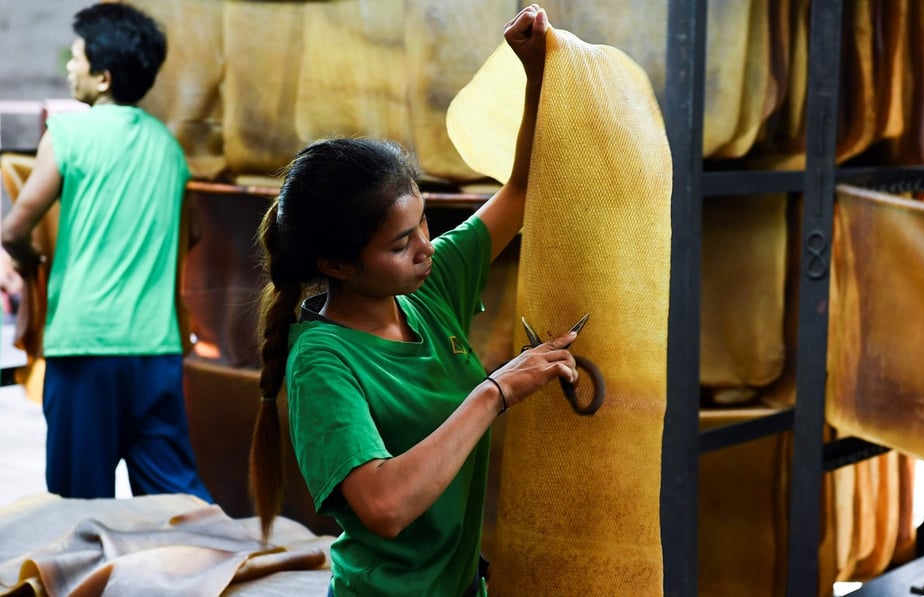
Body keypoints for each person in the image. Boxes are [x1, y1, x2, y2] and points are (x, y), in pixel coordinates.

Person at [248, 5, 576, 596]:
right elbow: (385, 506)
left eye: (425, 224)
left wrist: (535, 71)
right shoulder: (322, 362)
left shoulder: (430, 285)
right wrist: (495, 391)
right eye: (402, 244)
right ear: (336, 265)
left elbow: (522, 188)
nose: (426, 248)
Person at [1, 2, 211, 502]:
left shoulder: (69, 133)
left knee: (76, 504)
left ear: (103, 78)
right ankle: (217, 568)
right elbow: (195, 232)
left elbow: (13, 230)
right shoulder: (168, 147)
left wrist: (31, 263)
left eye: (76, 58)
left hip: (86, 346)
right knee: (172, 501)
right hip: (155, 348)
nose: (70, 67)